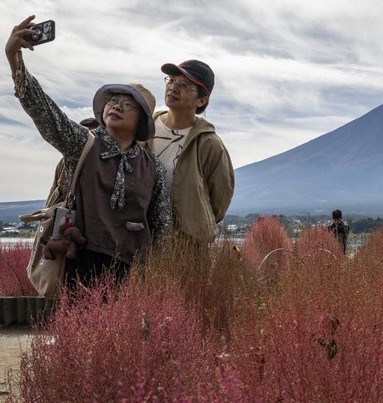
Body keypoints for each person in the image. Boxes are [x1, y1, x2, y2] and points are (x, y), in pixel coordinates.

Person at [7, 15, 172, 290]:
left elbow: (162, 226)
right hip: (79, 261)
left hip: (134, 270)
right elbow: (47, 114)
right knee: (81, 332)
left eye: (127, 105)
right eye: (112, 101)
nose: (116, 106)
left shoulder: (152, 167)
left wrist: (158, 277)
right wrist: (15, 60)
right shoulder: (83, 143)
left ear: (143, 121)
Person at [147, 59, 234, 244]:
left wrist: (191, 226)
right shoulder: (144, 129)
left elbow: (219, 201)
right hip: (138, 239)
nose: (173, 88)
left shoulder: (209, 144)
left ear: (202, 100)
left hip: (184, 246)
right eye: (171, 80)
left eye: (184, 85)